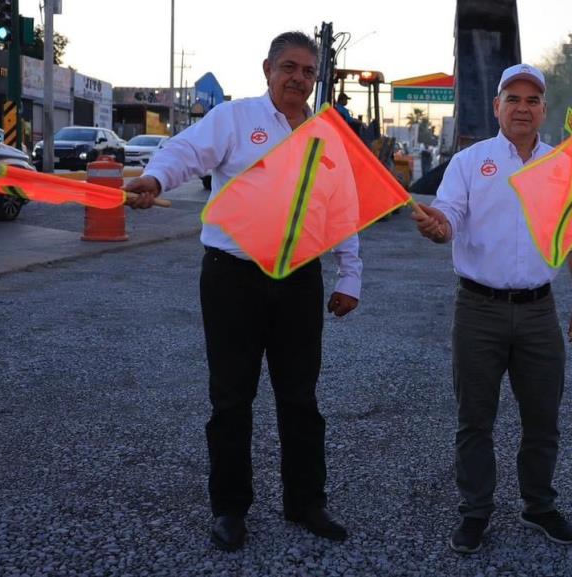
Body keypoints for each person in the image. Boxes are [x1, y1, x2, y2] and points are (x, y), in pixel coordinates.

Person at [125, 31, 359, 551]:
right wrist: (156, 179)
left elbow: (341, 209)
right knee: (231, 397)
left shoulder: (326, 137)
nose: (298, 78)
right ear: (268, 70)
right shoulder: (235, 120)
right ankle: (230, 509)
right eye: (288, 68)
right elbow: (185, 151)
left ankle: (306, 503)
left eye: (307, 70)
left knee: (300, 397)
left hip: (299, 279)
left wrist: (351, 275)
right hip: (232, 277)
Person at [411, 63, 572, 554]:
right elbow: (449, 214)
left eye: (532, 100)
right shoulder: (470, 163)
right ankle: (475, 512)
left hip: (539, 312)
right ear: (497, 107)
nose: (522, 107)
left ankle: (539, 505)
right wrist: (438, 227)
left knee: (542, 419)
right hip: (479, 310)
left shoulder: (560, 166)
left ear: (542, 110)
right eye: (512, 98)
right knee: (475, 419)